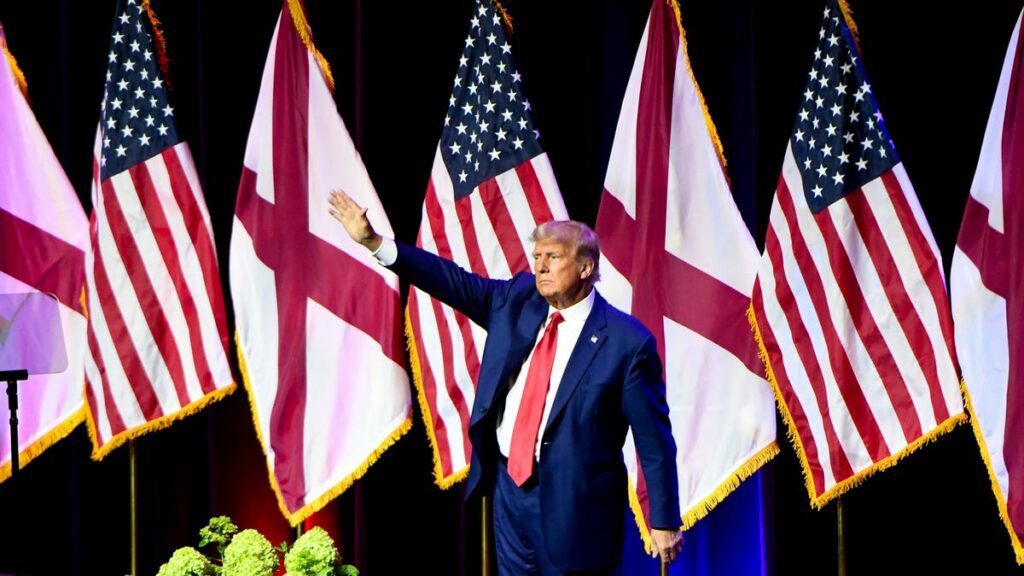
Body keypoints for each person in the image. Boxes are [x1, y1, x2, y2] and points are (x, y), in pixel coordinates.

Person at [329, 190, 683, 574]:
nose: (541, 267)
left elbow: (654, 439)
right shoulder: (518, 299)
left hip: (575, 507)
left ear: (585, 267)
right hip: (509, 494)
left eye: (554, 257)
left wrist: (664, 519)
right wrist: (376, 243)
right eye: (537, 257)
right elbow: (451, 281)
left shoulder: (627, 343)